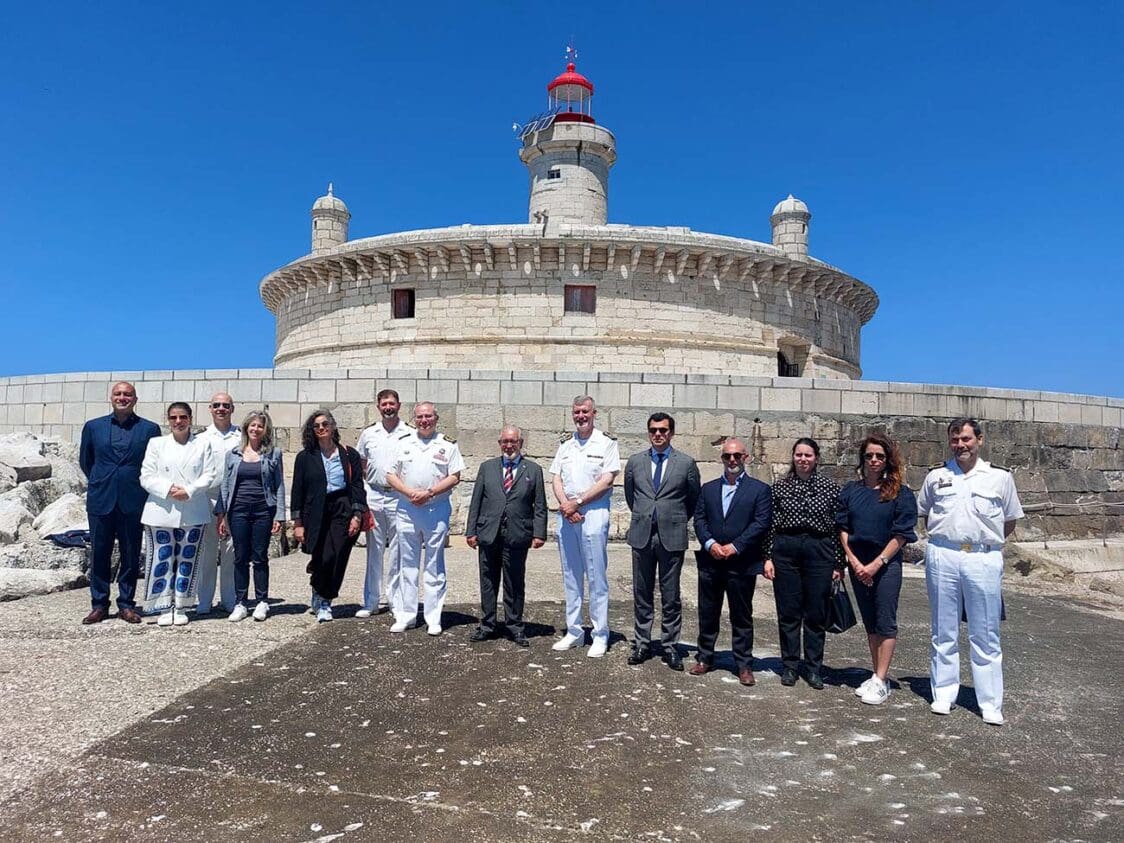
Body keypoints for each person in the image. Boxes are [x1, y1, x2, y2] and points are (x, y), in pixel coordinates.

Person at [918, 418, 1023, 725]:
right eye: (955, 440)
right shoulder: (937, 476)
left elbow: (1009, 520)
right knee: (943, 629)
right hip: (943, 554)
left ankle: (990, 702)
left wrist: (983, 542)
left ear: (979, 440)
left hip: (982, 557)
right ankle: (943, 693)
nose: (960, 445)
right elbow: (925, 513)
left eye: (966, 439)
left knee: (985, 632)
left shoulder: (999, 477)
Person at [836, 433, 917, 705]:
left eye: (879, 456)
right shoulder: (851, 491)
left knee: (885, 620)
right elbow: (843, 527)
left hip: (885, 564)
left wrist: (876, 564)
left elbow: (901, 534)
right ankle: (876, 674)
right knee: (870, 622)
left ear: (887, 460)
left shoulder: (900, 493)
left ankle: (882, 680)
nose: (874, 460)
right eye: (869, 455)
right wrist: (854, 561)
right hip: (858, 565)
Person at [764, 437, 844, 690]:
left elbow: (837, 527)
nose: (803, 459)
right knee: (788, 612)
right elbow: (770, 525)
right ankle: (789, 665)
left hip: (819, 550)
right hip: (786, 550)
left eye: (808, 455)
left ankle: (813, 668)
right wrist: (767, 557)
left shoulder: (830, 488)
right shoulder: (780, 487)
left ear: (816, 458)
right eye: (799, 455)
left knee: (815, 613)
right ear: (793, 457)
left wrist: (838, 564)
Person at [690, 437, 772, 685]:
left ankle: (744, 664)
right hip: (711, 561)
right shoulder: (708, 489)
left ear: (745, 457)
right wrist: (710, 544)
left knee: (742, 615)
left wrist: (735, 546)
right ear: (722, 459)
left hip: (741, 563)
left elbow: (761, 523)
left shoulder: (759, 490)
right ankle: (705, 657)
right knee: (708, 612)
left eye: (737, 455)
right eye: (727, 456)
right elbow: (699, 520)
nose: (732, 460)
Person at [78, 381, 161, 624]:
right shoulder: (93, 427)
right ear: (111, 397)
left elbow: (154, 463)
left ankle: (126, 603)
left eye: (127, 394)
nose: (122, 397)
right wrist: (102, 479)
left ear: (135, 399)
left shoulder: (149, 429)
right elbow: (86, 461)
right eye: (118, 393)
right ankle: (99, 604)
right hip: (101, 498)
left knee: (131, 554)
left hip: (133, 499)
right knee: (99, 553)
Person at [623, 412, 700, 671]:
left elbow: (693, 498)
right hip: (642, 534)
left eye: (663, 430)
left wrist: (673, 518)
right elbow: (631, 495)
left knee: (671, 595)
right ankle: (642, 642)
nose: (658, 434)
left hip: (672, 536)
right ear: (648, 432)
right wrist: (646, 515)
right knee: (641, 592)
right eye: (654, 430)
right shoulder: (635, 462)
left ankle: (670, 645)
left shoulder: (686, 463)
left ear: (671, 433)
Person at [549, 395, 621, 658]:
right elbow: (556, 478)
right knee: (571, 574)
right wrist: (565, 505)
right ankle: (574, 631)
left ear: (594, 413)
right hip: (567, 514)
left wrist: (577, 503)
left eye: (585, 412)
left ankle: (600, 634)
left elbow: (607, 480)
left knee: (596, 576)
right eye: (577, 412)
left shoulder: (606, 443)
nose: (581, 416)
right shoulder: (566, 445)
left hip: (593, 512)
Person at [138, 402, 219, 627]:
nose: (178, 421)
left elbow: (209, 474)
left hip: (193, 508)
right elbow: (146, 475)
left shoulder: (203, 444)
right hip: (161, 508)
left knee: (188, 559)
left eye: (183, 417)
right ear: (168, 420)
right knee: (161, 557)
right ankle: (163, 606)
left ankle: (182, 605)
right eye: (173, 417)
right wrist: (168, 489)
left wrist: (189, 491)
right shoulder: (156, 443)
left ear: (190, 419)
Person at [465, 425, 547, 647]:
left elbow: (540, 505)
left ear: (521, 443)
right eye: (505, 441)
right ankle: (487, 625)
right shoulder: (487, 467)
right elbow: (476, 501)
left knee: (515, 582)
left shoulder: (533, 470)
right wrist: (471, 531)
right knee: (488, 581)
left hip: (517, 534)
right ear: (499, 443)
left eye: (513, 441)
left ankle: (515, 626)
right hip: (488, 532)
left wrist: (539, 533)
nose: (509, 445)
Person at [386, 402, 463, 635]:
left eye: (428, 416)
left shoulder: (447, 445)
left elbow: (455, 476)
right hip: (407, 509)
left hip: (435, 509)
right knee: (407, 564)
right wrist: (410, 493)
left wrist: (429, 493)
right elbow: (390, 475)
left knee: (434, 564)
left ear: (436, 418)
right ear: (414, 419)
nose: (424, 421)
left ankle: (433, 617)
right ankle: (406, 615)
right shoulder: (403, 443)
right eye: (420, 417)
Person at [290, 410, 367, 623]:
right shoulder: (305, 457)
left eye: (325, 424)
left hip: (342, 506)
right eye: (316, 426)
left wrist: (357, 514)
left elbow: (357, 486)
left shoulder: (348, 454)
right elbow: (297, 490)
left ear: (333, 426)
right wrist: (297, 523)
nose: (321, 428)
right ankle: (318, 587)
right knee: (322, 555)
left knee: (337, 554)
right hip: (315, 509)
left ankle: (325, 600)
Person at [215, 410, 286, 622]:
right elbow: (225, 485)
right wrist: (222, 515)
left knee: (260, 556)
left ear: (266, 430)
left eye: (260, 426)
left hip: (263, 510)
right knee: (240, 557)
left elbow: (279, 485)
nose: (255, 429)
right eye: (252, 425)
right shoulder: (233, 454)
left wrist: (279, 516)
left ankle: (262, 601)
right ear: (246, 427)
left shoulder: (273, 454)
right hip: (238, 510)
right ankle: (241, 602)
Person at [355, 389, 412, 618]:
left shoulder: (410, 432)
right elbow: (361, 461)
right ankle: (371, 601)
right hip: (375, 494)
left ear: (399, 405)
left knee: (398, 550)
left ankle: (395, 600)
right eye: (384, 404)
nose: (388, 407)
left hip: (399, 496)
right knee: (374, 550)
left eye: (392, 403)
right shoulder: (369, 433)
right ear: (378, 407)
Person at [196, 392, 240, 616]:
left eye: (225, 405)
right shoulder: (201, 438)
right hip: (208, 498)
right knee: (207, 552)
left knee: (230, 552)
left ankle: (229, 598)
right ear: (210, 408)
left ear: (232, 409)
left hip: (234, 500)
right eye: (216, 405)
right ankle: (204, 599)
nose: (221, 409)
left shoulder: (240, 436)